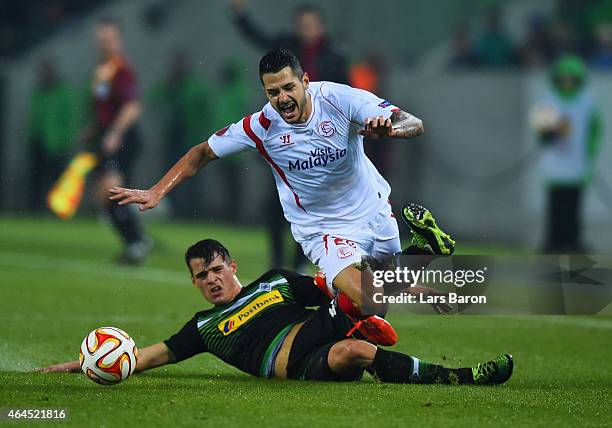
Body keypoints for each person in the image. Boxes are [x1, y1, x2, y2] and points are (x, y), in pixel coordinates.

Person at [109, 49, 456, 339]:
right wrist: (156, 191)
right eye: (273, 92)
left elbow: (414, 123)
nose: (283, 99)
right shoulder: (260, 126)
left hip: (374, 212)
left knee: (379, 291)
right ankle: (361, 313)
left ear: (305, 81)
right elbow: (202, 152)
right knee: (371, 301)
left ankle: (420, 254)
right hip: (323, 229)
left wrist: (391, 128)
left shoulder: (339, 99)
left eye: (289, 88)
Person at [39, 239, 513, 385]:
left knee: (351, 322)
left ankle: (417, 258)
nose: (212, 281)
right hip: (296, 364)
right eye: (202, 277)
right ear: (194, 283)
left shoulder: (276, 282)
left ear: (232, 266)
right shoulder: (204, 328)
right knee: (353, 338)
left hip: (319, 332)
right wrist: (85, 363)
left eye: (217, 270)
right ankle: (457, 372)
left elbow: (331, 283)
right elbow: (144, 357)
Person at [230, 1, 348, 270]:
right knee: (278, 198)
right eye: (302, 24)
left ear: (320, 26)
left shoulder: (335, 54)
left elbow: (346, 93)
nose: (306, 29)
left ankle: (299, 262)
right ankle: (276, 258)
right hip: (285, 131)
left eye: (311, 24)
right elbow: (259, 37)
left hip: (319, 135)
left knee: (310, 200)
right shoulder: (285, 47)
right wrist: (240, 15)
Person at [79, 17, 151, 264]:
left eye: (108, 39)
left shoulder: (122, 68)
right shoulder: (104, 68)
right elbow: (104, 105)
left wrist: (115, 133)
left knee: (112, 193)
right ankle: (137, 238)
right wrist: (94, 128)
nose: (104, 43)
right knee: (105, 197)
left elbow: (133, 106)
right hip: (108, 136)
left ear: (118, 39)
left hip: (122, 138)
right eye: (101, 39)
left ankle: (137, 242)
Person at [532, 55, 602, 253]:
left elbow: (595, 130)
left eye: (571, 79)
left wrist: (591, 153)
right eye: (564, 79)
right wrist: (550, 133)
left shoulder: (587, 102)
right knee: (555, 206)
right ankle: (553, 241)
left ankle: (573, 241)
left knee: (573, 206)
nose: (568, 83)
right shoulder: (549, 100)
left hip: (576, 164)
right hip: (554, 165)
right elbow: (541, 132)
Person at [27, 59, 78, 211]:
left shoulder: (63, 92)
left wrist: (65, 140)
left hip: (58, 145)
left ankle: (58, 210)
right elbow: (34, 118)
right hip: (39, 143)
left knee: (58, 181)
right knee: (36, 181)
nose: (44, 75)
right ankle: (35, 210)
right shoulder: (38, 92)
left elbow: (69, 119)